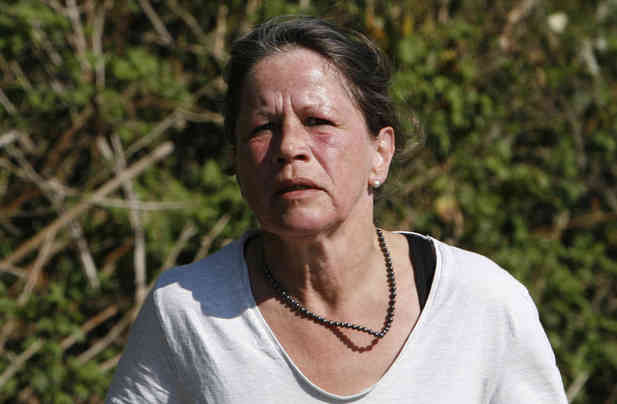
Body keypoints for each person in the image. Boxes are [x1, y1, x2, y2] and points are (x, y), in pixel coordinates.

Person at [106, 16, 568, 403]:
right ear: (236, 161)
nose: (290, 147)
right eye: (263, 128)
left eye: (318, 122)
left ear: (380, 152)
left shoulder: (481, 303)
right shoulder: (185, 312)